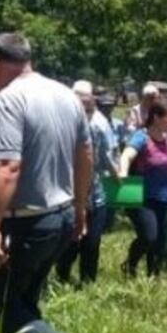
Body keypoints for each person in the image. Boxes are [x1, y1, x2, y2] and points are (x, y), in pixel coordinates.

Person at [0, 33, 99, 333]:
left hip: (24, 221)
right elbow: (85, 156)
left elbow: (8, 166)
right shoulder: (65, 95)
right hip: (59, 217)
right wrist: (79, 208)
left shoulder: (8, 100)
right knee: (24, 303)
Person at [118, 101, 167, 277]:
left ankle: (153, 276)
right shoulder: (141, 137)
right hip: (141, 197)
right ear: (157, 118)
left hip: (166, 197)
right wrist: (122, 170)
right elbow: (127, 155)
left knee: (161, 240)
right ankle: (130, 264)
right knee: (149, 237)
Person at [56, 84, 116, 285]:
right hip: (69, 197)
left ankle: (88, 282)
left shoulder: (97, 128)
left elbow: (105, 156)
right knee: (71, 243)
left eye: (90, 110)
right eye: (83, 110)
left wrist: (117, 175)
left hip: (96, 196)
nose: (87, 115)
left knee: (92, 242)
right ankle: (62, 276)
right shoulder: (62, 132)